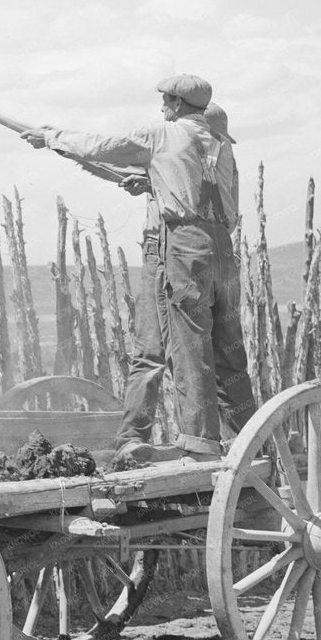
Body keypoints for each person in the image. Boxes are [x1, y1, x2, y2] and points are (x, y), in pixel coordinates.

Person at [21, 75, 250, 464]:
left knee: (186, 346)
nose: (162, 107)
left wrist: (53, 137)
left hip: (181, 245)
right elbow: (200, 189)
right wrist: (150, 183)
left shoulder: (163, 134)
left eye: (166, 100)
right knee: (227, 349)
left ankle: (198, 441)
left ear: (177, 104)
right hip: (220, 251)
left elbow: (106, 148)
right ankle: (247, 435)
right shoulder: (220, 147)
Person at [114, 101, 255, 462]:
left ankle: (154, 438)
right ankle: (244, 438)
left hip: (174, 251)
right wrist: (151, 183)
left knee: (158, 352)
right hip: (198, 252)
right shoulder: (215, 156)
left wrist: (152, 184)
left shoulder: (196, 154)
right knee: (218, 353)